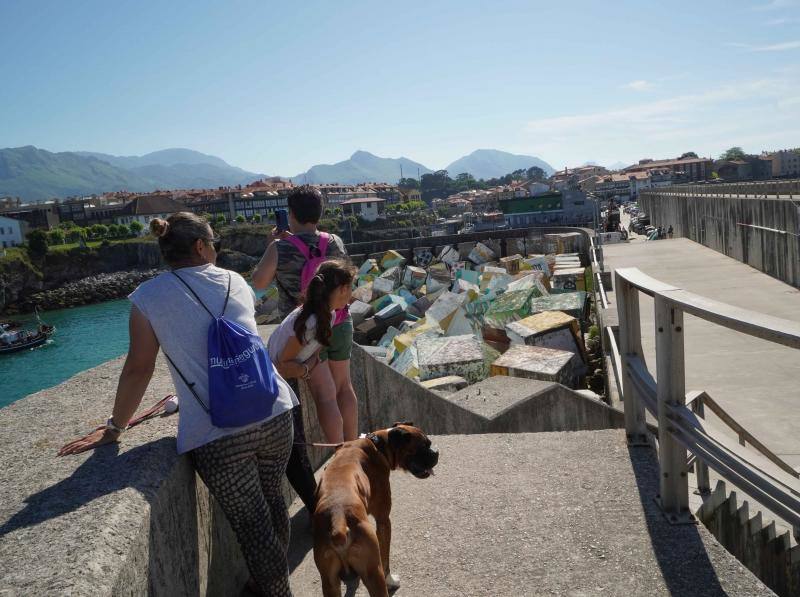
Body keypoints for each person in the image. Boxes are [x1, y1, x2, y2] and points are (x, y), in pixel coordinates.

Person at [58, 212, 296, 596]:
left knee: (254, 528)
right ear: (201, 246)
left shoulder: (148, 298)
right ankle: (266, 582)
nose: (216, 248)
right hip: (274, 411)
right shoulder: (235, 281)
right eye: (213, 242)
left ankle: (276, 590)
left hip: (218, 433)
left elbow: (139, 369)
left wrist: (115, 428)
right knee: (272, 502)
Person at [252, 187, 357, 510]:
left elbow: (258, 283)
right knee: (345, 388)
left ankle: (337, 459)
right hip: (340, 321)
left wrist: (273, 244)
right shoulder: (334, 242)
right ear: (320, 212)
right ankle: (354, 453)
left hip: (306, 331)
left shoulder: (280, 247)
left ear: (291, 213)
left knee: (325, 396)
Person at [267, 260, 356, 443]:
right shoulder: (309, 322)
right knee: (330, 395)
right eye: (351, 288)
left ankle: (345, 451)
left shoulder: (328, 313)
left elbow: (316, 347)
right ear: (342, 289)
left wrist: (312, 362)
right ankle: (342, 452)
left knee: (328, 396)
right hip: (278, 374)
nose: (352, 294)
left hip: (302, 361)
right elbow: (281, 366)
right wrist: (307, 369)